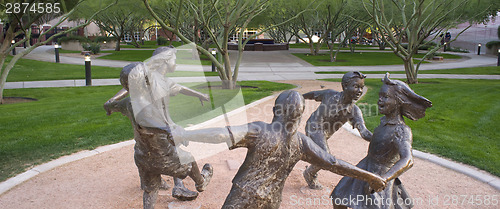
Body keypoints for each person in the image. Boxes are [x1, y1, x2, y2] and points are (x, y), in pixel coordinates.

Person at [178, 90, 386, 209]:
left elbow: (223, 134)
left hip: (243, 195)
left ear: (276, 110)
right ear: (300, 114)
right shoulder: (302, 142)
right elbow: (333, 163)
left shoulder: (260, 130)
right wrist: (369, 176)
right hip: (271, 200)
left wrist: (186, 134)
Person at [103, 47, 212, 208]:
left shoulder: (129, 102)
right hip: (162, 147)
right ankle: (200, 182)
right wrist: (171, 131)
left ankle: (175, 186)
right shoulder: (151, 98)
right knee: (186, 159)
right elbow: (151, 123)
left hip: (142, 155)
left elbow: (122, 99)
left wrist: (110, 105)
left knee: (150, 188)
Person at [331, 73, 432, 209]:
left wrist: (385, 178)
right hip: (365, 167)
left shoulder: (401, 130)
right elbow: (374, 139)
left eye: (385, 97)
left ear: (398, 102)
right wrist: (360, 126)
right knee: (339, 197)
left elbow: (408, 159)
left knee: (375, 206)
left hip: (381, 174)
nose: (379, 100)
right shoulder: (384, 123)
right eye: (380, 96)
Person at [303, 71, 372, 190]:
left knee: (319, 155)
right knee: (326, 157)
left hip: (325, 134)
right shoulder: (329, 94)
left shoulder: (354, 111)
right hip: (314, 126)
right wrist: (299, 97)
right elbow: (313, 94)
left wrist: (379, 137)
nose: (360, 91)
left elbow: (364, 132)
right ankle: (310, 173)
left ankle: (308, 164)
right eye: (356, 86)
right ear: (345, 86)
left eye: (362, 87)